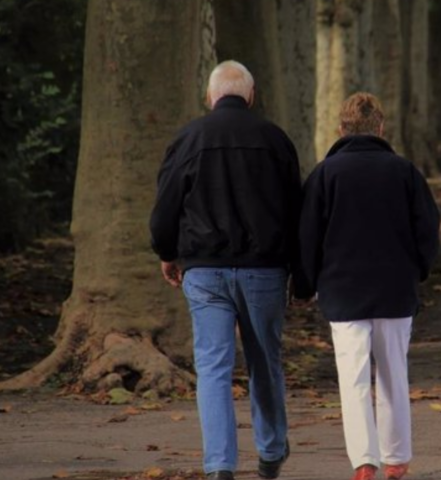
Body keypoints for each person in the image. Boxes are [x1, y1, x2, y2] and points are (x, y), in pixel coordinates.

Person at [150, 60, 303, 480]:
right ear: (251, 96)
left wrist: (168, 252)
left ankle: (220, 463)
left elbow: (166, 206)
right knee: (264, 361)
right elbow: (296, 211)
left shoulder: (188, 138)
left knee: (213, 367)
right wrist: (300, 271)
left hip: (204, 270)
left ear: (210, 96)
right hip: (264, 270)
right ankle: (271, 451)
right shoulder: (275, 140)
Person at [298, 93, 441, 480]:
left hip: (342, 291)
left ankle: (364, 459)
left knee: (354, 377)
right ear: (381, 128)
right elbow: (427, 229)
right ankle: (397, 457)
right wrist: (418, 270)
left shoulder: (325, 175)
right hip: (395, 288)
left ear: (341, 129)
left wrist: (305, 284)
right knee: (394, 372)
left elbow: (308, 236)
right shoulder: (405, 172)